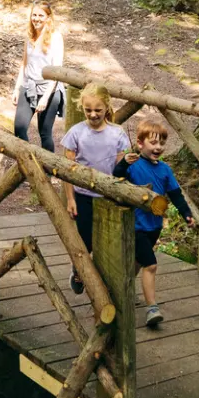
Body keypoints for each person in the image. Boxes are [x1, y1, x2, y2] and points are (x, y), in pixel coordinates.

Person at [118, 115, 195, 329]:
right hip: (135, 225)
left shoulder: (164, 169)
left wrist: (186, 213)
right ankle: (152, 308)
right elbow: (115, 177)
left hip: (154, 226)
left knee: (138, 261)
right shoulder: (133, 166)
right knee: (150, 265)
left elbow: (176, 194)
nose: (158, 147)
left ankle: (121, 288)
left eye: (161, 142)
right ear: (140, 144)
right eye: (153, 142)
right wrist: (123, 163)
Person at [58, 83, 128, 294]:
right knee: (85, 239)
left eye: (98, 110)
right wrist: (70, 199)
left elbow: (121, 168)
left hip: (108, 197)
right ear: (82, 107)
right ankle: (79, 271)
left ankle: (106, 282)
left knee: (107, 243)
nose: (93, 114)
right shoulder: (76, 133)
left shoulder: (117, 134)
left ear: (107, 107)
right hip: (83, 195)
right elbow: (67, 170)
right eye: (88, 110)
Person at [14, 2, 66, 152]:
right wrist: (17, 88)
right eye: (34, 15)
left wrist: (45, 98)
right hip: (29, 85)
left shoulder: (55, 37)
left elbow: (56, 71)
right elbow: (24, 64)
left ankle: (47, 172)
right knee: (19, 128)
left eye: (41, 15)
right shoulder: (29, 36)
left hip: (49, 88)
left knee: (44, 133)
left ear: (48, 17)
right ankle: (29, 164)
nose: (36, 19)